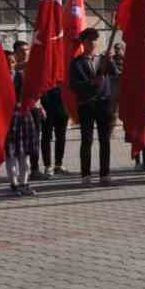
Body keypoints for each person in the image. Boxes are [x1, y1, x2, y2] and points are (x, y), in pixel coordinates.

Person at [68, 28, 115, 185]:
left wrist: (111, 61)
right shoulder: (76, 63)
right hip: (87, 104)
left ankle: (105, 173)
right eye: (89, 40)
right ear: (83, 43)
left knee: (105, 140)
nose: (93, 43)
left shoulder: (103, 59)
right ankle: (85, 174)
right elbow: (73, 86)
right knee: (87, 140)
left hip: (104, 103)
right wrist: (91, 84)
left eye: (95, 40)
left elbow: (114, 73)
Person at [4, 69, 40, 197]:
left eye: (12, 62)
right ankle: (13, 184)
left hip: (24, 116)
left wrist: (37, 106)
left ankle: (24, 183)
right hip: (9, 118)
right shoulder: (0, 78)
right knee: (11, 154)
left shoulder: (23, 74)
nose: (11, 65)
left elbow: (31, 93)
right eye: (9, 61)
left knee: (25, 154)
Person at [36, 75, 69, 181]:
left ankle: (58, 164)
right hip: (47, 103)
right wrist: (40, 105)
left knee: (61, 136)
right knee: (46, 136)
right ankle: (47, 166)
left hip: (61, 105)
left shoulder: (60, 67)